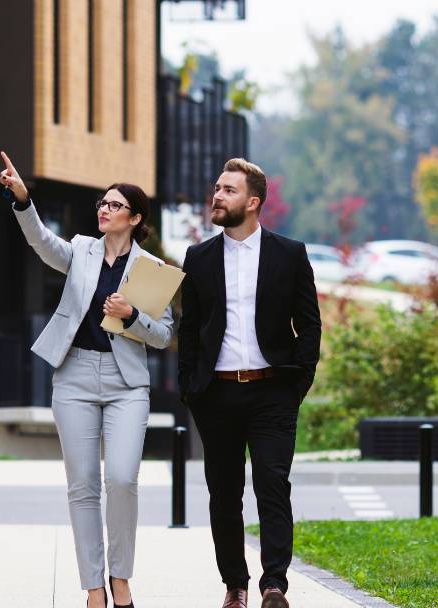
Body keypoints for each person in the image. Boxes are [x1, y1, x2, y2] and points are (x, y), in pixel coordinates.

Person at [0, 150, 175, 608]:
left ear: (135, 218)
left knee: (121, 479)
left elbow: (163, 336)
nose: (104, 209)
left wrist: (132, 315)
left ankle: (121, 578)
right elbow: (40, 241)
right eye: (102, 203)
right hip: (74, 375)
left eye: (115, 205)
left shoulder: (152, 270)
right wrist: (23, 199)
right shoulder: (79, 250)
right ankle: (95, 590)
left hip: (126, 385)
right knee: (82, 487)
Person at [178, 158, 321, 608]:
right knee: (224, 493)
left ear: (253, 202)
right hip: (216, 393)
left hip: (273, 390)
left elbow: (309, 324)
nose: (217, 196)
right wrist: (190, 387)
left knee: (273, 483)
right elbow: (190, 328)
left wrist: (297, 383)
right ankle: (235, 586)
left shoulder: (289, 254)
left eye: (229, 190)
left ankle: (274, 584)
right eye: (217, 188)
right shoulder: (199, 258)